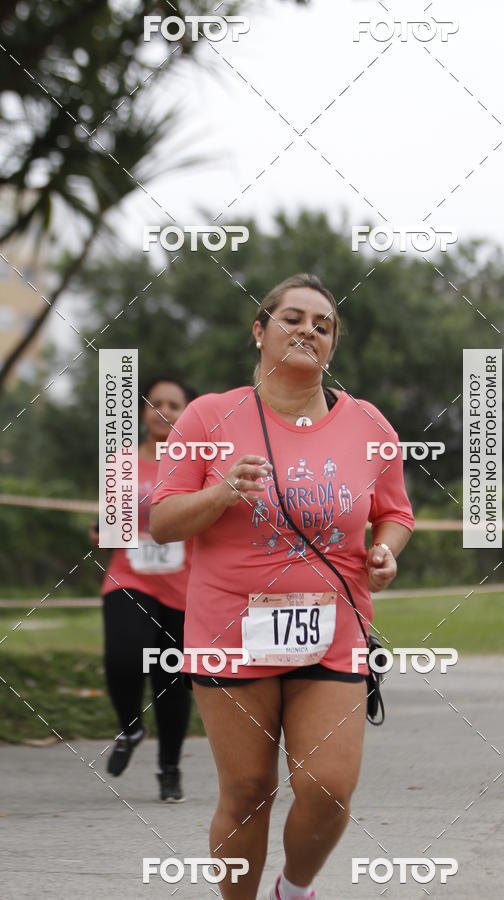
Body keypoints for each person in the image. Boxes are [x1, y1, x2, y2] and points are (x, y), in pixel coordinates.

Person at [150, 273, 414, 899]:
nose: (308, 331)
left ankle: (293, 891)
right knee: (247, 792)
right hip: (229, 630)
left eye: (323, 325)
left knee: (328, 786)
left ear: (333, 347)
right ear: (259, 330)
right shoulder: (210, 416)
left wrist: (384, 550)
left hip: (334, 627)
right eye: (293, 318)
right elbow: (162, 519)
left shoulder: (368, 423)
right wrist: (221, 491)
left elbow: (396, 513)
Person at [90, 374, 196, 801]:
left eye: (174, 405)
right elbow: (110, 528)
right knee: (122, 658)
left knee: (170, 681)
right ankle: (131, 727)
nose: (164, 411)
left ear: (186, 414)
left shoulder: (199, 466)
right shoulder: (123, 463)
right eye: (156, 403)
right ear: (143, 410)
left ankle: (169, 770)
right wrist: (102, 535)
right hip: (128, 578)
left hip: (183, 587)